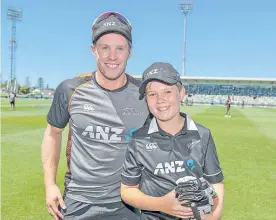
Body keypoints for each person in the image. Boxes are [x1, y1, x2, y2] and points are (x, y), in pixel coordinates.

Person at [41, 11, 149, 220]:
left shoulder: (143, 94)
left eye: (120, 48)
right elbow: (52, 133)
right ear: (94, 51)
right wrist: (50, 184)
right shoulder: (70, 90)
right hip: (77, 203)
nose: (112, 56)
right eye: (104, 47)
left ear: (130, 52)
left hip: (126, 202)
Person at [121, 62, 224, 220]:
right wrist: (162, 204)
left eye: (167, 91)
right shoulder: (138, 139)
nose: (160, 100)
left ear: (182, 93)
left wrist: (214, 217)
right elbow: (127, 190)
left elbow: (215, 182)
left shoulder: (202, 134)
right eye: (152, 94)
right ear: (146, 99)